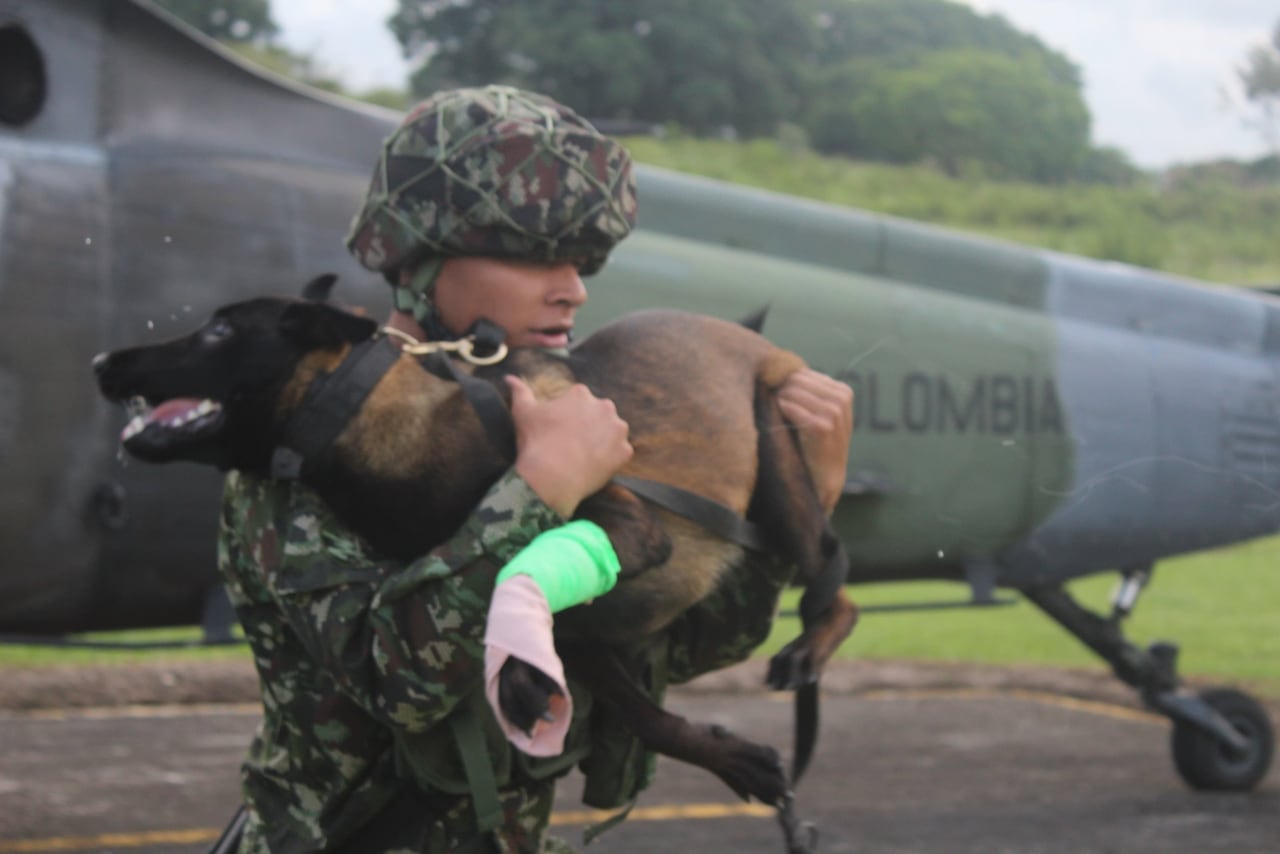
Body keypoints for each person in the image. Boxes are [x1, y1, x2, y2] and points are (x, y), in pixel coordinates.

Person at [218, 85, 853, 853]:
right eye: (533, 257)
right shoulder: (315, 446)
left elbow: (676, 647)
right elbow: (402, 687)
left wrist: (801, 505)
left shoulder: (539, 411)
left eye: (581, 261)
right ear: (421, 254)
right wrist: (539, 490)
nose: (573, 289)